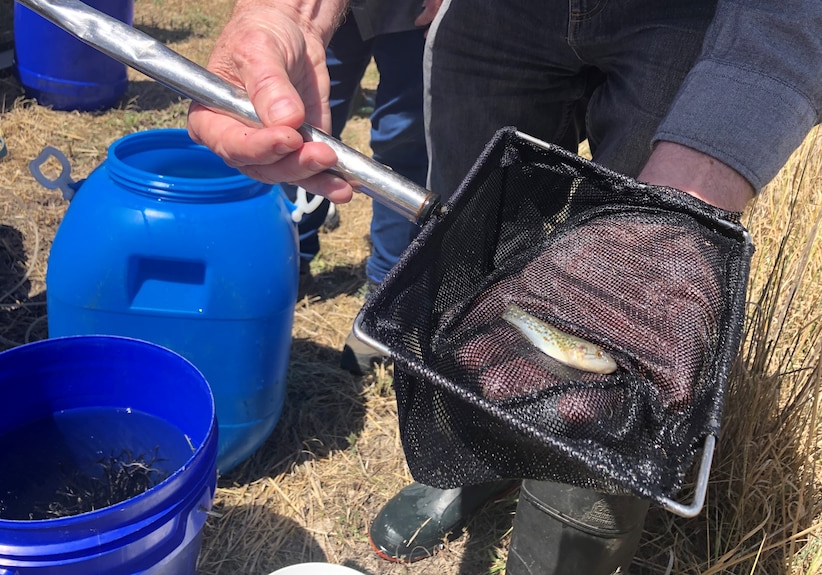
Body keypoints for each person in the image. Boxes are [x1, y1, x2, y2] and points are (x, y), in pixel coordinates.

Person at [187, 0, 822, 572]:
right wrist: (290, 13)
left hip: (690, 21)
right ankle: (473, 455)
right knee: (471, 245)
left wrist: (687, 194)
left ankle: (563, 535)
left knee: (637, 310)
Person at [281, 1, 433, 374]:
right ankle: (290, 261)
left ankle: (383, 300)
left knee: (404, 143)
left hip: (412, 10)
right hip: (323, 10)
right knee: (297, 128)